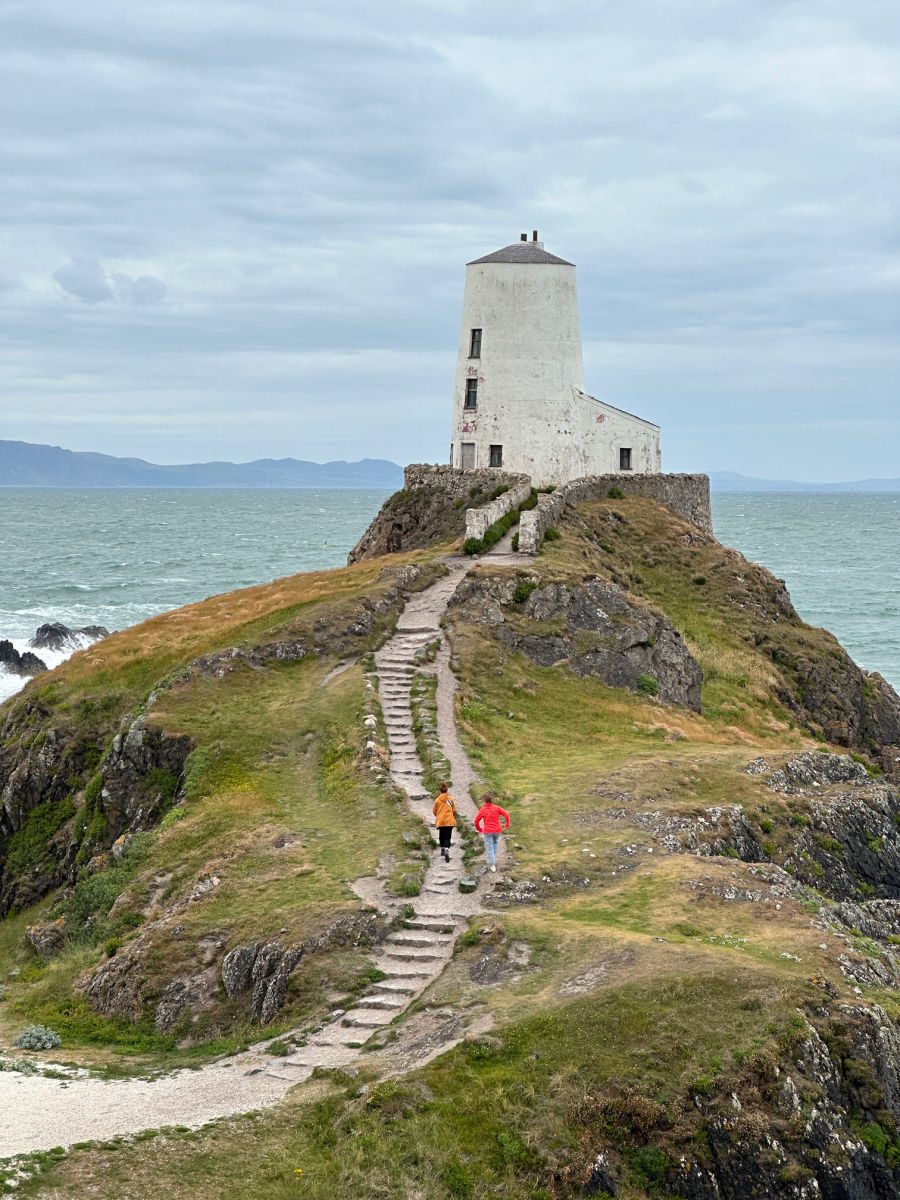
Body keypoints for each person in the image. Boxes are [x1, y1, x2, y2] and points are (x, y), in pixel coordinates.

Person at [474, 793, 510, 872]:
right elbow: (506, 814)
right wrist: (507, 824)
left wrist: (479, 829)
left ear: (485, 801)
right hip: (497, 830)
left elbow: (476, 821)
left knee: (489, 847)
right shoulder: (497, 808)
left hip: (487, 831)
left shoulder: (482, 810)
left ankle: (493, 864)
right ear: (491, 801)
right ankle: (493, 858)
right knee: (494, 843)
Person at [432, 782, 457, 862]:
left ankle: (442, 848)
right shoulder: (450, 799)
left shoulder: (437, 800)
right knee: (448, 836)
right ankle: (446, 848)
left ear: (440, 791)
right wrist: (451, 815)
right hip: (449, 821)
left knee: (441, 835)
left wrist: (438, 816)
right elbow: (454, 810)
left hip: (441, 821)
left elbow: (434, 811)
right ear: (447, 790)